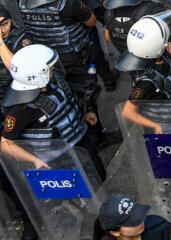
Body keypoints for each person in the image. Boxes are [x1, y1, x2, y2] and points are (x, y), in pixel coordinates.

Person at [1, 43, 107, 180]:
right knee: (80, 193)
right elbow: (6, 144)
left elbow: (66, 102)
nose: (52, 69)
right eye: (48, 68)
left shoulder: (54, 81)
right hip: (59, 159)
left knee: (99, 176)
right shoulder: (20, 109)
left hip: (81, 140)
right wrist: (34, 160)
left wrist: (84, 114)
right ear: (38, 75)